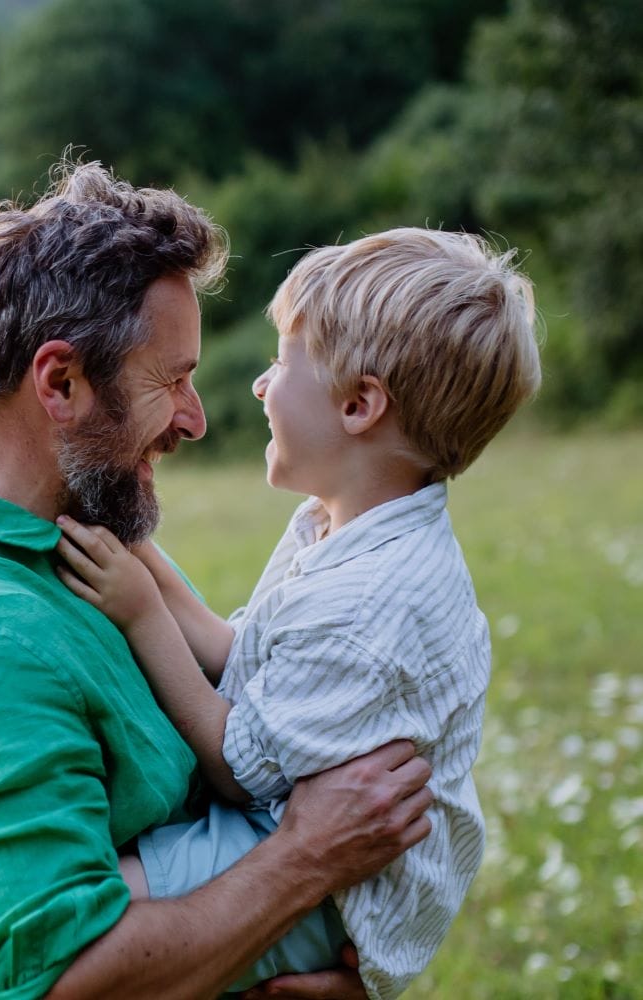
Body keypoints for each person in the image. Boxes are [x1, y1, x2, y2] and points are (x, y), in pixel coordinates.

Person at [0, 160, 434, 1000]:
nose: (197, 417)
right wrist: (307, 859)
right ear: (61, 382)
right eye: (171, 379)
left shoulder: (90, 540)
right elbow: (59, 983)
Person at [56, 228, 542, 998]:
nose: (258, 384)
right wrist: (135, 545)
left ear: (358, 405)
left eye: (283, 362)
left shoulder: (371, 602)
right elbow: (239, 651)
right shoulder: (340, 526)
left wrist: (144, 612)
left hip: (326, 890)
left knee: (82, 918)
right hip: (297, 827)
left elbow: (238, 768)